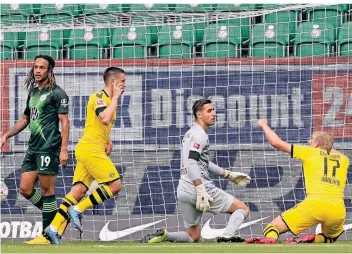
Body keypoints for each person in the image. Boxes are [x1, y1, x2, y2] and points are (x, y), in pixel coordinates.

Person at [141, 99, 251, 244]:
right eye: (209, 111)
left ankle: (166, 235)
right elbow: (191, 162)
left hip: (183, 189)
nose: (214, 114)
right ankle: (227, 236)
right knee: (242, 209)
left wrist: (228, 174)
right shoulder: (200, 135)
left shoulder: (189, 134)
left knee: (193, 236)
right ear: (199, 115)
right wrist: (200, 189)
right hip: (199, 188)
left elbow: (201, 161)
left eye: (214, 110)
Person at [44, 67, 125, 244]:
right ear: (113, 82)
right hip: (90, 149)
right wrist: (116, 98)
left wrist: (108, 139)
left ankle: (52, 228)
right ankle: (78, 209)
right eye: (123, 81)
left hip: (91, 147)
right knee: (115, 185)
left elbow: (100, 125)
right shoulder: (98, 97)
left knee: (78, 190)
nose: (124, 85)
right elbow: (103, 118)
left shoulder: (110, 100)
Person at [0, 55, 70, 244]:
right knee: (25, 188)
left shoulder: (58, 93)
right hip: (33, 147)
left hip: (49, 147)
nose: (37, 71)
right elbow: (25, 119)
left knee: (47, 191)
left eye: (42, 68)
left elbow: (64, 123)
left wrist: (64, 149)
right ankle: (58, 219)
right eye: (35, 67)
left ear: (49, 71)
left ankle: (47, 235)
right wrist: (6, 135)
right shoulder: (33, 92)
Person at [246, 119, 349, 244]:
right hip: (338, 210)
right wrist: (326, 142)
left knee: (272, 228)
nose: (309, 142)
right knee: (330, 238)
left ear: (316, 144)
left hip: (315, 205)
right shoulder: (344, 159)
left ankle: (271, 239)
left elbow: (276, 142)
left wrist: (264, 125)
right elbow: (330, 150)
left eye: (311, 140)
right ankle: (312, 239)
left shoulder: (310, 152)